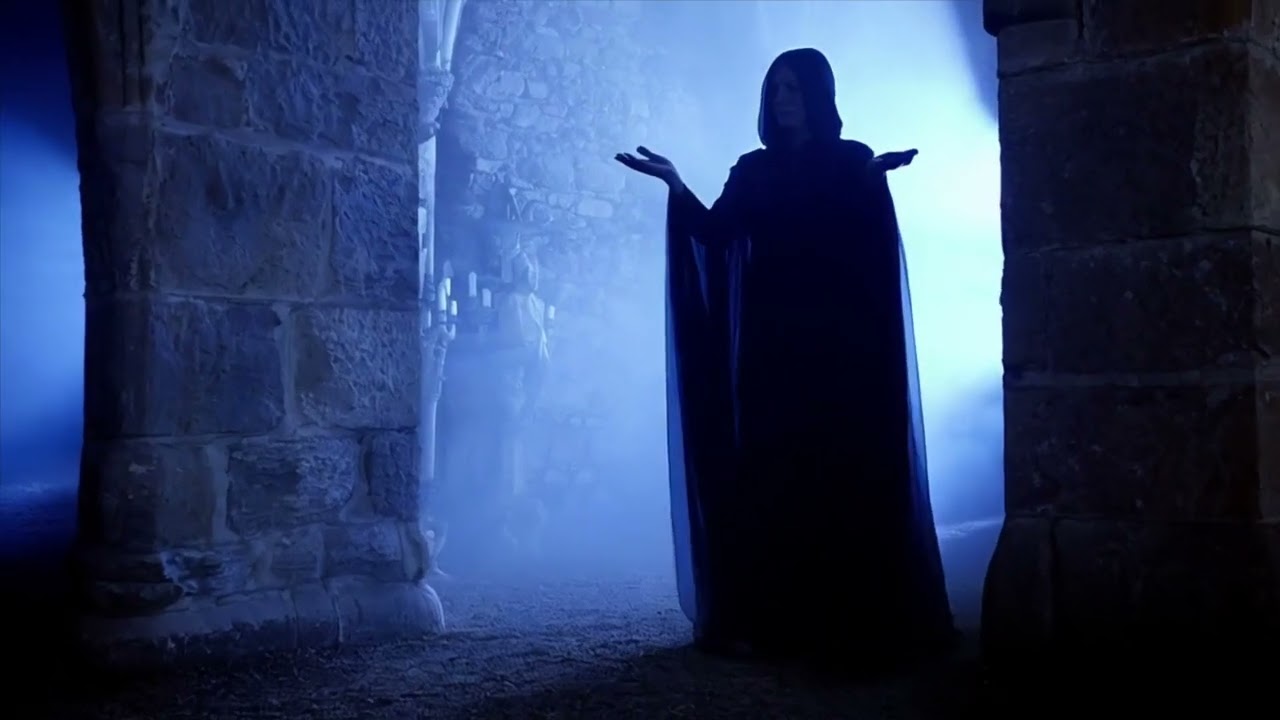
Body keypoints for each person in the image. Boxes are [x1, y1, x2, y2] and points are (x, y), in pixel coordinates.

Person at [615, 48, 955, 666]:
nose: (782, 100)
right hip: (771, 350)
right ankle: (779, 619)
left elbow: (866, 250)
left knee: (841, 471)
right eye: (775, 89)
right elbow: (715, 234)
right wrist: (676, 185)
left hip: (840, 350)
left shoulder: (850, 161)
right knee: (775, 473)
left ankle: (851, 619)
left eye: (794, 89)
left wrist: (870, 180)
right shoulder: (753, 170)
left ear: (818, 94)